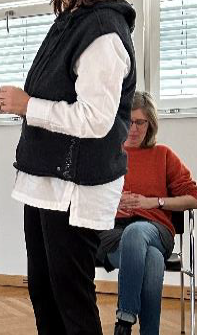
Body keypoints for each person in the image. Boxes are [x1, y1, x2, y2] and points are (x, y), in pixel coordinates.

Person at [0, 0, 137, 334]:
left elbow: (95, 119)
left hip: (75, 190)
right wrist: (2, 100)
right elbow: (55, 97)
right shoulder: (72, 21)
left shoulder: (103, 32)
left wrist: (28, 104)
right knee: (45, 294)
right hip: (49, 184)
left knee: (71, 300)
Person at [97, 91, 197, 335]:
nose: (133, 128)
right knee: (152, 260)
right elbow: (84, 196)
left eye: (140, 122)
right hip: (113, 234)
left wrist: (154, 202)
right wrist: (113, 202)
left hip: (156, 230)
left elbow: (193, 197)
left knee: (138, 231)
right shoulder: (107, 155)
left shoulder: (163, 155)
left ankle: (124, 319)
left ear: (150, 123)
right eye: (129, 121)